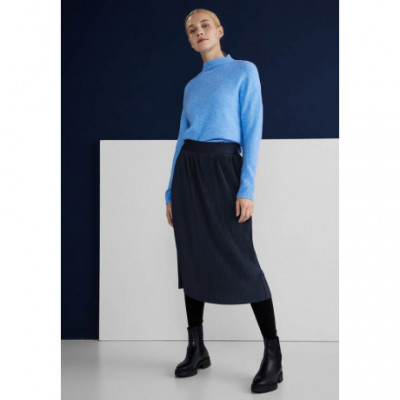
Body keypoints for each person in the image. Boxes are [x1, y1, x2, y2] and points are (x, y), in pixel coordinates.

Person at [165, 8, 283, 393]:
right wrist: (170, 191)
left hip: (224, 168)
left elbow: (253, 130)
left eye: (204, 25)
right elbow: (182, 138)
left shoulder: (243, 71)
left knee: (243, 261)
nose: (198, 32)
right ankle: (196, 347)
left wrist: (246, 188)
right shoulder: (191, 86)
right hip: (189, 172)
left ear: (219, 30)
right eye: (191, 30)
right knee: (192, 258)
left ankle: (274, 355)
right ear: (189, 41)